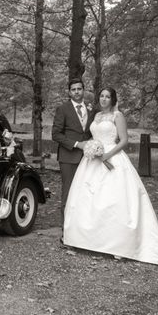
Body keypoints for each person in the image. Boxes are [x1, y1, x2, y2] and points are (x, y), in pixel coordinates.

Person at [63, 87, 158, 267]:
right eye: (102, 96)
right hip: (91, 161)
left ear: (113, 100)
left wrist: (107, 155)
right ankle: (82, 240)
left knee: (113, 200)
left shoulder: (117, 116)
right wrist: (92, 148)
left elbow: (124, 140)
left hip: (113, 158)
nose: (104, 99)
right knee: (87, 199)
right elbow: (91, 135)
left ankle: (119, 246)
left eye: (108, 97)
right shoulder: (95, 116)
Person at [52, 79, 94, 228]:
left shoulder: (91, 109)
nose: (77, 92)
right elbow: (56, 134)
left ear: (84, 90)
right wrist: (77, 144)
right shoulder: (63, 109)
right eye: (73, 89)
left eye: (79, 89)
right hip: (68, 157)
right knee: (68, 192)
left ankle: (82, 227)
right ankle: (66, 229)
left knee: (87, 192)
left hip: (88, 158)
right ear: (69, 92)